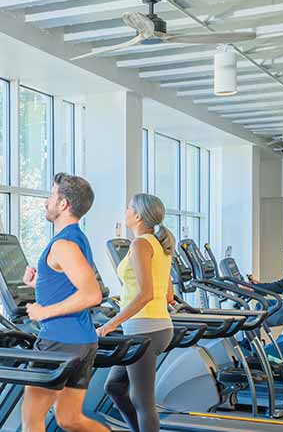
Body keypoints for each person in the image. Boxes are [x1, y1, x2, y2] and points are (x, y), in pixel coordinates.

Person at [21, 172, 108, 432]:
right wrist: (40, 283)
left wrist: (44, 312)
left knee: (31, 419)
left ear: (63, 204)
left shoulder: (64, 244)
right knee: (69, 419)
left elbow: (92, 294)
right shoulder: (76, 238)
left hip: (59, 341)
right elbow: (71, 282)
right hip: (81, 341)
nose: (46, 202)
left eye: (51, 195)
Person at [96, 194, 176, 432]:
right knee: (114, 386)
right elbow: (168, 294)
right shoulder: (159, 244)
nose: (126, 211)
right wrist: (126, 300)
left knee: (143, 401)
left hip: (145, 328)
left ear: (139, 215)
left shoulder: (140, 244)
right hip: (155, 325)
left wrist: (110, 324)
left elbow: (145, 294)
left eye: (129, 207)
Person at [249, 239, 283, 327]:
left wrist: (253, 288)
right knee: (262, 304)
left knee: (251, 322)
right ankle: (253, 339)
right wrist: (258, 286)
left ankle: (250, 337)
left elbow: (280, 286)